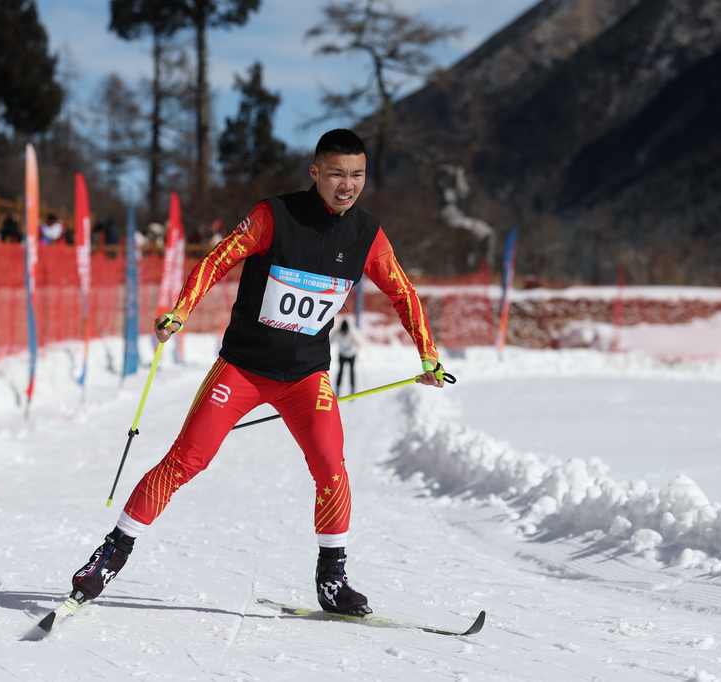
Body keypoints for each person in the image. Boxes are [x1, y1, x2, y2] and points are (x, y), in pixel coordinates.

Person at [67, 129, 446, 618]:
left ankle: (332, 579)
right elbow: (218, 259)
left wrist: (428, 354)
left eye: (357, 174)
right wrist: (181, 311)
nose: (347, 185)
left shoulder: (368, 235)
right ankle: (111, 554)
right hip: (243, 369)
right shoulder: (274, 215)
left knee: (331, 465)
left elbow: (403, 292)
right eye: (336, 173)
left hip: (306, 376)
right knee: (187, 460)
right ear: (315, 172)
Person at [332, 318, 361, 394]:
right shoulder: (337, 333)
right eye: (342, 332)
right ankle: (337, 389)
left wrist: (355, 345)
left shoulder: (353, 333)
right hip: (342, 355)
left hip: (351, 355)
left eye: (345, 332)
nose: (344, 334)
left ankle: (352, 390)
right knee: (340, 372)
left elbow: (360, 343)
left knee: (351, 372)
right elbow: (331, 341)